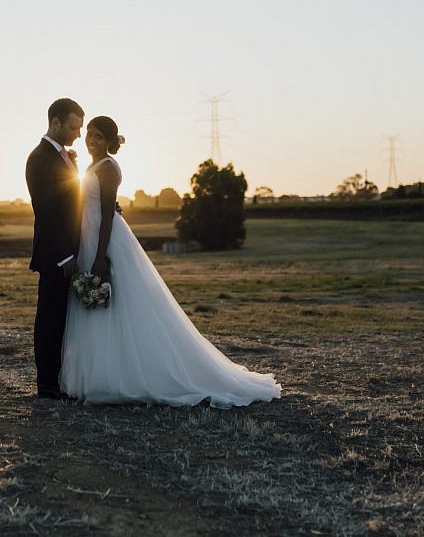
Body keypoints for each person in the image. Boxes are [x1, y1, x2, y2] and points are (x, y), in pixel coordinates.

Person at [60, 116, 281, 407]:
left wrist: (102, 257)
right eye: (89, 134)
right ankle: (96, 374)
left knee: (118, 304)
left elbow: (107, 215)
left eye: (98, 136)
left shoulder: (109, 168)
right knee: (95, 306)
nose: (91, 140)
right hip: (87, 239)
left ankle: (124, 377)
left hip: (103, 239)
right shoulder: (89, 166)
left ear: (109, 141)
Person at [25, 97, 85, 400]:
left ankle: (60, 379)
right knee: (50, 320)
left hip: (69, 252)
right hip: (55, 256)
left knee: (64, 320)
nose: (77, 134)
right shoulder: (39, 159)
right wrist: (65, 256)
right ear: (55, 122)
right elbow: (47, 212)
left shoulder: (63, 156)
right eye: (73, 127)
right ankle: (47, 386)